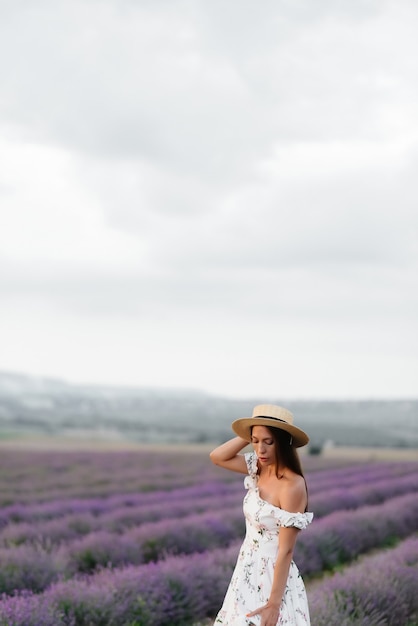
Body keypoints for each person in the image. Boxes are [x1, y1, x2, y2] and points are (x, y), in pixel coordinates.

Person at [210, 404, 313, 626]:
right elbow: (217, 457)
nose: (260, 450)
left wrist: (274, 605)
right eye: (255, 441)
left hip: (272, 579)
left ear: (284, 442)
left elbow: (286, 550)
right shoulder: (258, 467)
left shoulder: (292, 486)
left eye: (269, 442)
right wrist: (248, 433)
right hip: (246, 570)